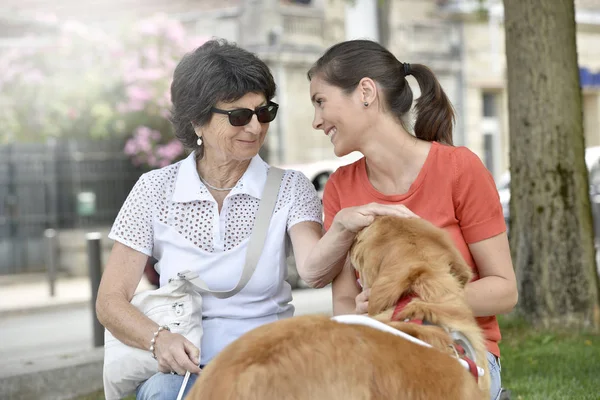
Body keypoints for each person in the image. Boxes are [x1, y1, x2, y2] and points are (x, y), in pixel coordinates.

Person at [96, 39, 330, 400]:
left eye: (264, 112)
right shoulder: (154, 189)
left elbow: (314, 270)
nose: (254, 127)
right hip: (184, 370)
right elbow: (110, 300)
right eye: (238, 116)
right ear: (197, 122)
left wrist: (343, 227)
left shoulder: (290, 188)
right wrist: (160, 339)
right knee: (162, 393)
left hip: (271, 364)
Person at [303, 40, 518, 400]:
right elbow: (343, 305)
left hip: (458, 347)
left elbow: (504, 290)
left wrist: (409, 303)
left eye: (321, 101)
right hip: (380, 353)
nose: (316, 121)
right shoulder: (341, 188)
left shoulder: (459, 169)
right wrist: (362, 314)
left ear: (366, 92)